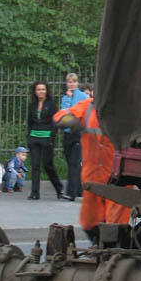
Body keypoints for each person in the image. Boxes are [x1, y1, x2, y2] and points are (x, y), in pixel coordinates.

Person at [53, 96, 129, 232]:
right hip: (93, 178)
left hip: (118, 179)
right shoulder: (87, 106)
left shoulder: (127, 108)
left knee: (116, 223)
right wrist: (68, 120)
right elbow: (61, 115)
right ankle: (100, 246)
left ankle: (110, 247)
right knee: (89, 222)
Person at [26, 81, 63, 200]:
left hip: (46, 138)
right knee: (35, 166)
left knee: (48, 165)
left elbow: (55, 123)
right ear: (35, 91)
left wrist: (51, 138)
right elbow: (29, 123)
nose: (41, 91)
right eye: (38, 89)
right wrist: (29, 137)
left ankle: (59, 189)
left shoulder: (51, 105)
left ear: (46, 91)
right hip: (34, 138)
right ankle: (35, 193)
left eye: (43, 89)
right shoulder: (32, 105)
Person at [59, 72, 87, 201]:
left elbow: (78, 113)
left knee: (75, 163)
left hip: (78, 132)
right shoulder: (64, 98)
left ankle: (71, 193)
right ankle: (78, 189)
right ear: (66, 84)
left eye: (74, 82)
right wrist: (69, 100)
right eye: (69, 82)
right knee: (70, 162)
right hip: (67, 132)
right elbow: (65, 115)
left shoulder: (82, 96)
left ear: (77, 83)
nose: (72, 84)